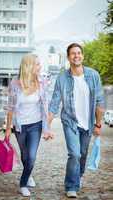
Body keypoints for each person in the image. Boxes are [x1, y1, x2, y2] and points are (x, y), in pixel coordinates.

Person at [48, 43, 105, 198]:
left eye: (79, 53)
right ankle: (71, 186)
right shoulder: (62, 78)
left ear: (83, 56)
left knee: (83, 154)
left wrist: (98, 124)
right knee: (74, 154)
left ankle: (78, 176)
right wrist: (47, 125)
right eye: (73, 53)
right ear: (68, 57)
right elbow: (54, 102)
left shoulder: (93, 75)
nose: (76, 56)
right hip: (70, 122)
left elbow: (100, 102)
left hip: (88, 123)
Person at [5, 54, 53, 197]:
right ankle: (29, 173)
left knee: (31, 156)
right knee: (25, 156)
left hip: (35, 125)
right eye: (37, 64)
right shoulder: (15, 83)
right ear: (29, 66)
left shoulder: (42, 82)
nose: (40, 67)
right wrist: (8, 128)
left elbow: (45, 105)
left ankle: (23, 183)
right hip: (20, 126)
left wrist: (47, 128)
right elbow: (10, 107)